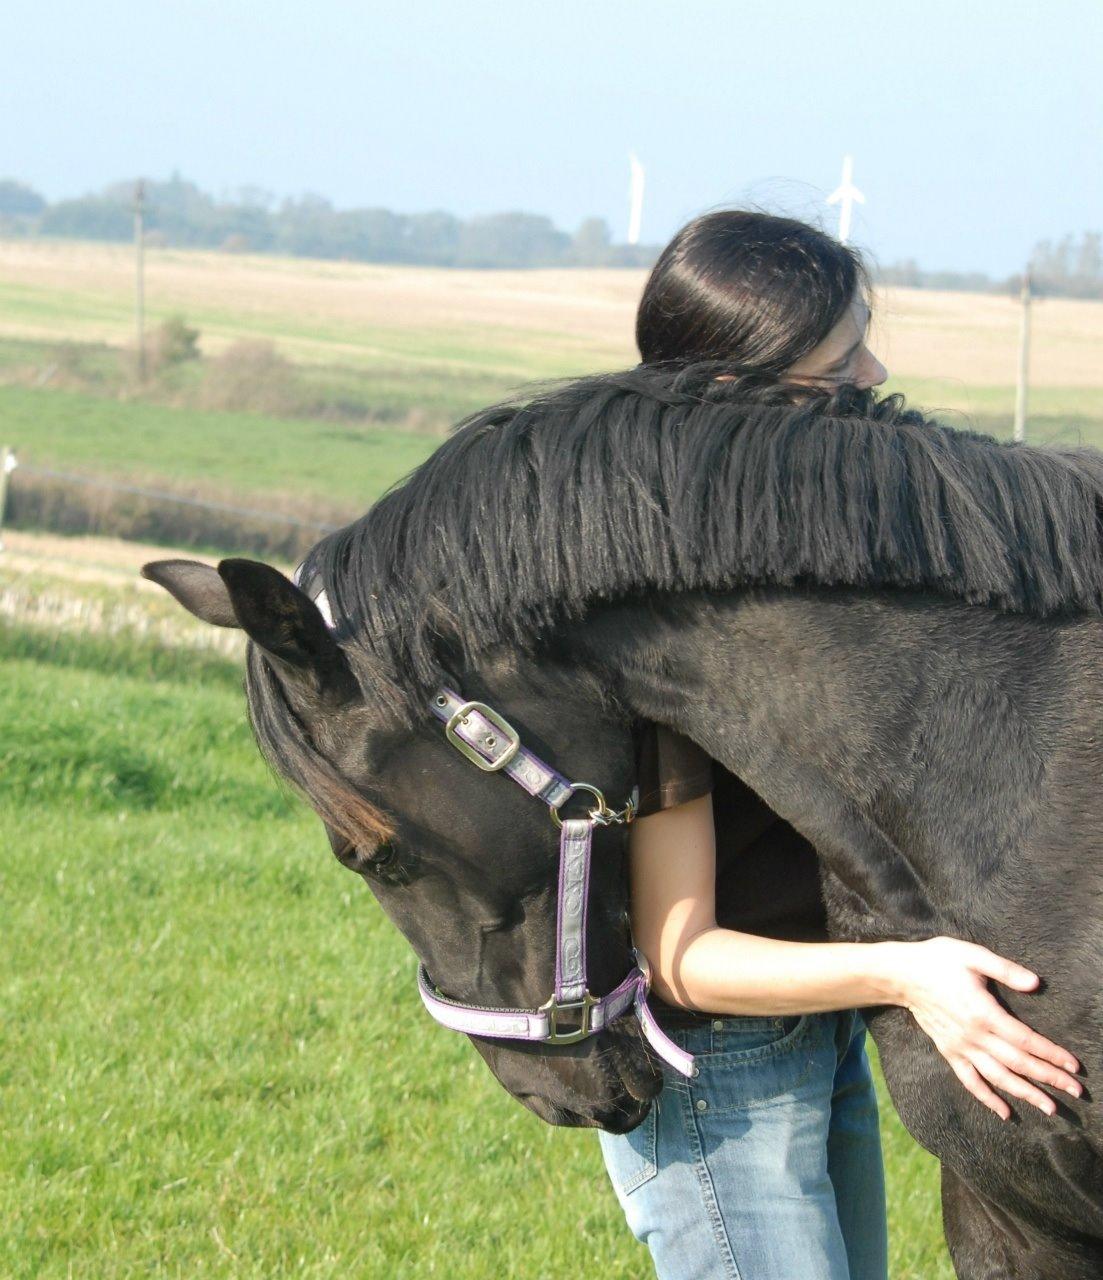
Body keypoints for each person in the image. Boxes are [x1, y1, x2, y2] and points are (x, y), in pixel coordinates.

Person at [595, 210, 1083, 1280]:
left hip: (822, 1036)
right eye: (837, 358)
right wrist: (910, 976)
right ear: (738, 392)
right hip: (716, 1071)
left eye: (863, 334)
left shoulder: (805, 574)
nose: (872, 372)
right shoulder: (667, 624)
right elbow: (678, 953)